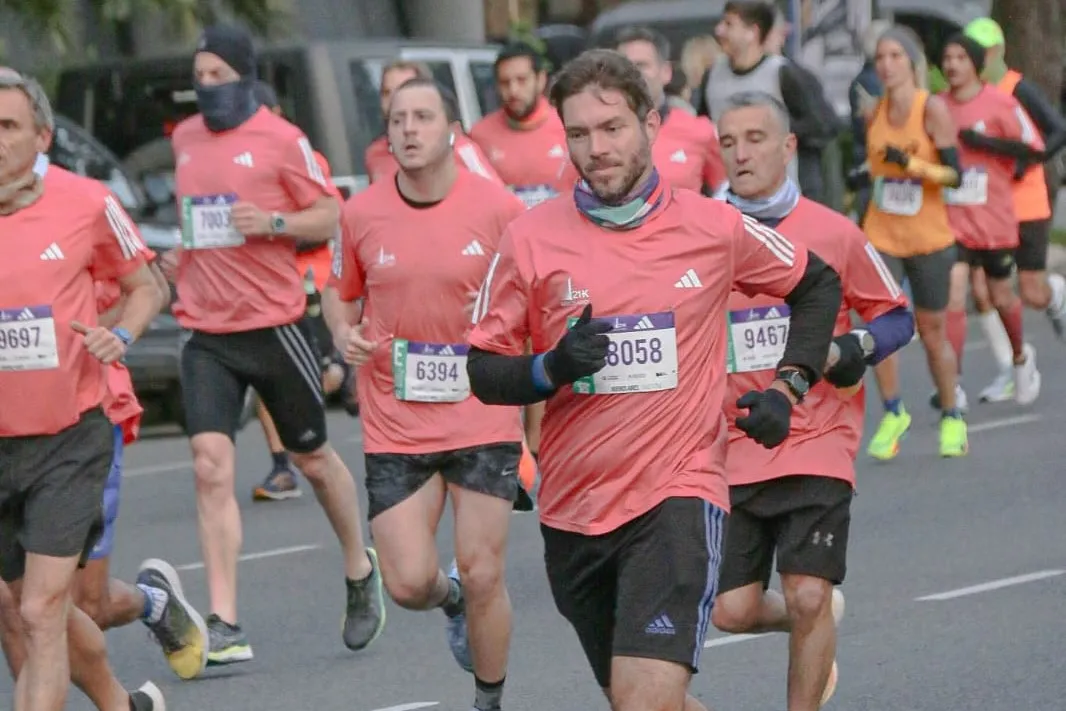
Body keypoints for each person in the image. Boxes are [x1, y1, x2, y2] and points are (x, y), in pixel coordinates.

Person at [465, 49, 843, 711]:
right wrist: (550, 367)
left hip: (677, 495)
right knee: (643, 704)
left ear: (651, 123)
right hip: (573, 513)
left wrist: (789, 385)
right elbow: (482, 369)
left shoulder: (712, 226)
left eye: (612, 128)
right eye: (578, 134)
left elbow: (816, 284)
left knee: (645, 701)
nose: (596, 148)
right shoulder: (528, 239)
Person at [162, 24, 385, 665]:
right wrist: (184, 252)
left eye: (218, 77)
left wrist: (275, 223)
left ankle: (357, 566)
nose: (207, 89)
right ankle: (224, 620)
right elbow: (198, 217)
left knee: (312, 461)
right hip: (205, 329)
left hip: (273, 326)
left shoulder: (283, 140)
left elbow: (332, 211)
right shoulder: (184, 139)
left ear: (245, 77)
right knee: (210, 467)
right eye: (199, 78)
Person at [709, 91, 914, 711]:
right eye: (728, 142)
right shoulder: (700, 234)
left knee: (805, 593)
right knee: (731, 611)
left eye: (755, 139)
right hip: (730, 443)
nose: (741, 154)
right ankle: (815, 625)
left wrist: (851, 345)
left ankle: (813, 626)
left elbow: (894, 317)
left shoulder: (834, 232)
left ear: (789, 146)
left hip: (815, 434)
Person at [327, 77, 526, 711]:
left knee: (486, 567)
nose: (408, 129)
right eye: (397, 119)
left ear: (452, 130)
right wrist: (342, 333)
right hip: (396, 415)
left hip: (481, 408)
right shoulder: (360, 213)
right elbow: (340, 290)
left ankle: (487, 699)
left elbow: (534, 303)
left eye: (422, 117)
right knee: (409, 582)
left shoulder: (500, 210)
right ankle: (451, 599)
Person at [0, 71, 166, 711]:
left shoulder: (88, 202)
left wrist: (119, 335)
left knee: (43, 609)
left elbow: (148, 286)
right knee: (21, 607)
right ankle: (121, 704)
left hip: (70, 433)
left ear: (41, 136)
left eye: (9, 127)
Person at [467, 41, 575, 510]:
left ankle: (541, 441)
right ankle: (520, 446)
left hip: (560, 259)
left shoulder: (565, 128)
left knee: (548, 345)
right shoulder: (480, 136)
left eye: (521, 80)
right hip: (504, 260)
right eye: (504, 83)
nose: (512, 90)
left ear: (540, 79)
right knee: (509, 347)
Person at [861, 27, 967, 460]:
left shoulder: (933, 108)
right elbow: (873, 170)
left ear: (911, 61)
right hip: (882, 232)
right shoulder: (874, 111)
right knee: (877, 328)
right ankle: (892, 412)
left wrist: (915, 165)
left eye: (894, 56)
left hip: (928, 236)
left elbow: (955, 175)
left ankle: (951, 415)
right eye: (880, 57)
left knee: (931, 331)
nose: (886, 65)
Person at [248, 79, 350, 501]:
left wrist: (275, 225)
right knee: (260, 371)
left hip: (314, 278)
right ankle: (280, 466)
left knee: (321, 376)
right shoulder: (241, 167)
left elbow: (328, 219)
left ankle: (338, 379)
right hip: (265, 282)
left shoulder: (304, 157)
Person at [962, 17, 1066, 403]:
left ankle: (1056, 294)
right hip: (988, 209)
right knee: (983, 288)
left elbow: (1057, 130)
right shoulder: (969, 95)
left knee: (1032, 292)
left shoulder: (1018, 89)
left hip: (1026, 203)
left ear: (994, 53)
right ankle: (1012, 365)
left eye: (976, 53)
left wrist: (1021, 165)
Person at [938, 35, 1041, 407]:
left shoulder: (1001, 104)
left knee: (1000, 295)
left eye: (960, 57)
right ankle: (956, 383)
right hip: (951, 219)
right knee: (954, 295)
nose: (952, 65)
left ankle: (1020, 357)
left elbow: (1032, 149)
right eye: (947, 58)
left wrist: (985, 145)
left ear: (976, 64)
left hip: (993, 218)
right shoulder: (936, 106)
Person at [698, 1, 838, 202]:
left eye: (729, 24)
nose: (719, 30)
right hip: (726, 197)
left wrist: (767, 134)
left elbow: (821, 127)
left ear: (752, 32)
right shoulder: (712, 75)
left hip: (781, 197)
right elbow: (701, 131)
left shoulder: (782, 73)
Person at [615, 26, 727, 195]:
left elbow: (723, 192)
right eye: (624, 67)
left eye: (641, 65)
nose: (633, 74)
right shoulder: (598, 135)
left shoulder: (700, 131)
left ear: (666, 72)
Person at [365, 60, 501, 186]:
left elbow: (499, 197)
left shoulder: (457, 145)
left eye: (403, 90)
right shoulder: (375, 155)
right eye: (386, 92)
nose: (393, 100)